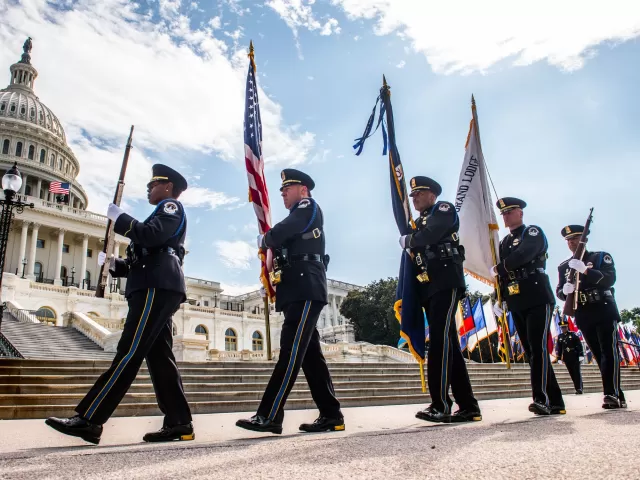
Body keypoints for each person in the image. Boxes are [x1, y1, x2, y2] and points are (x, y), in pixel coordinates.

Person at [45, 164, 194, 444]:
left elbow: (152, 237)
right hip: (155, 285)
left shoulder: (171, 207)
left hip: (156, 288)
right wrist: (118, 265)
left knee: (129, 352)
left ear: (169, 187)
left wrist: (122, 220)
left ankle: (89, 419)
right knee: (160, 358)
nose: (149, 188)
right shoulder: (159, 213)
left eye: (154, 184)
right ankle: (179, 422)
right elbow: (148, 253)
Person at [236, 168, 343, 434]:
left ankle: (270, 414)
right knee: (310, 357)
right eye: (282, 189)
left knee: (290, 350)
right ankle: (332, 415)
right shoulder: (297, 215)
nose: (282, 192)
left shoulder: (307, 208)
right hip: (297, 288)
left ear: (303, 190)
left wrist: (267, 237)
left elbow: (283, 231)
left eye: (287, 188)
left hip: (306, 286)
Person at [399, 176, 481, 423]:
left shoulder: (442, 209)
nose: (414, 198)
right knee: (450, 347)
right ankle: (468, 406)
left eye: (418, 194)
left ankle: (440, 403)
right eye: (412, 195)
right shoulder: (420, 221)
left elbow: (432, 234)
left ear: (432, 194)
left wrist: (410, 239)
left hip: (446, 280)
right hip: (430, 285)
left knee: (438, 342)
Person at [491, 197, 565, 416]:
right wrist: (500, 297)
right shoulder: (504, 242)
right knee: (532, 350)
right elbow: (503, 275)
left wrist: (500, 267)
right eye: (503, 213)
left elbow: (525, 255)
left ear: (520, 213)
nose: (506, 216)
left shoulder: (532, 232)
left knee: (538, 347)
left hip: (536, 294)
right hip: (516, 298)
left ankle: (540, 398)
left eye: (510, 211)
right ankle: (556, 401)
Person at [556, 224, 626, 409]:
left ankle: (610, 393)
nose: (572, 242)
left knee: (608, 352)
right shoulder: (564, 266)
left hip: (603, 308)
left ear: (583, 240)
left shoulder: (600, 257)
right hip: (583, 312)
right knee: (597, 353)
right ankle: (617, 393)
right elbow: (560, 292)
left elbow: (610, 279)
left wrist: (586, 270)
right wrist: (564, 291)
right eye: (569, 240)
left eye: (576, 238)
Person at [555, 318, 584, 394]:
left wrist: (581, 355)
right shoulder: (560, 336)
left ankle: (579, 388)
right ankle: (577, 387)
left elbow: (579, 345)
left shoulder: (573, 334)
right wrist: (558, 358)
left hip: (574, 356)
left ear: (567, 327)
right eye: (562, 327)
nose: (563, 329)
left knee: (577, 372)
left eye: (564, 327)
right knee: (571, 373)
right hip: (566, 357)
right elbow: (559, 348)